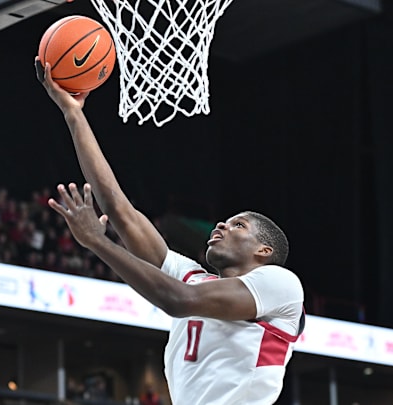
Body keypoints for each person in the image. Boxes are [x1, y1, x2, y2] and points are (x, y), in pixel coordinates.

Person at [36, 58, 305, 405]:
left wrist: (97, 243)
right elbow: (120, 211)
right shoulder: (191, 277)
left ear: (264, 252)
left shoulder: (280, 284)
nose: (221, 224)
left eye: (239, 225)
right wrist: (73, 114)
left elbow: (179, 302)